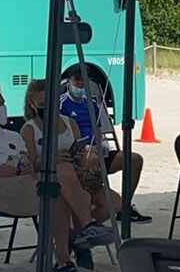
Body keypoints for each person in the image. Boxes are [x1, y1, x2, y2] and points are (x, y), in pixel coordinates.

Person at [0, 84, 117, 272]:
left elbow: (31, 165)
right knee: (56, 189)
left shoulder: (13, 136)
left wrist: (27, 165)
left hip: (25, 181)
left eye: (3, 103)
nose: (4, 108)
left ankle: (66, 258)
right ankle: (82, 235)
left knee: (58, 188)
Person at [59, 64, 151, 225]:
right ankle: (85, 210)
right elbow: (64, 133)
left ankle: (125, 206)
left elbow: (99, 129)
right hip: (80, 152)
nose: (80, 84)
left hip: (98, 149)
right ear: (69, 81)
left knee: (134, 159)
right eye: (77, 80)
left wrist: (102, 142)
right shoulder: (62, 104)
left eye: (84, 80)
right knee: (91, 159)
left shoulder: (92, 103)